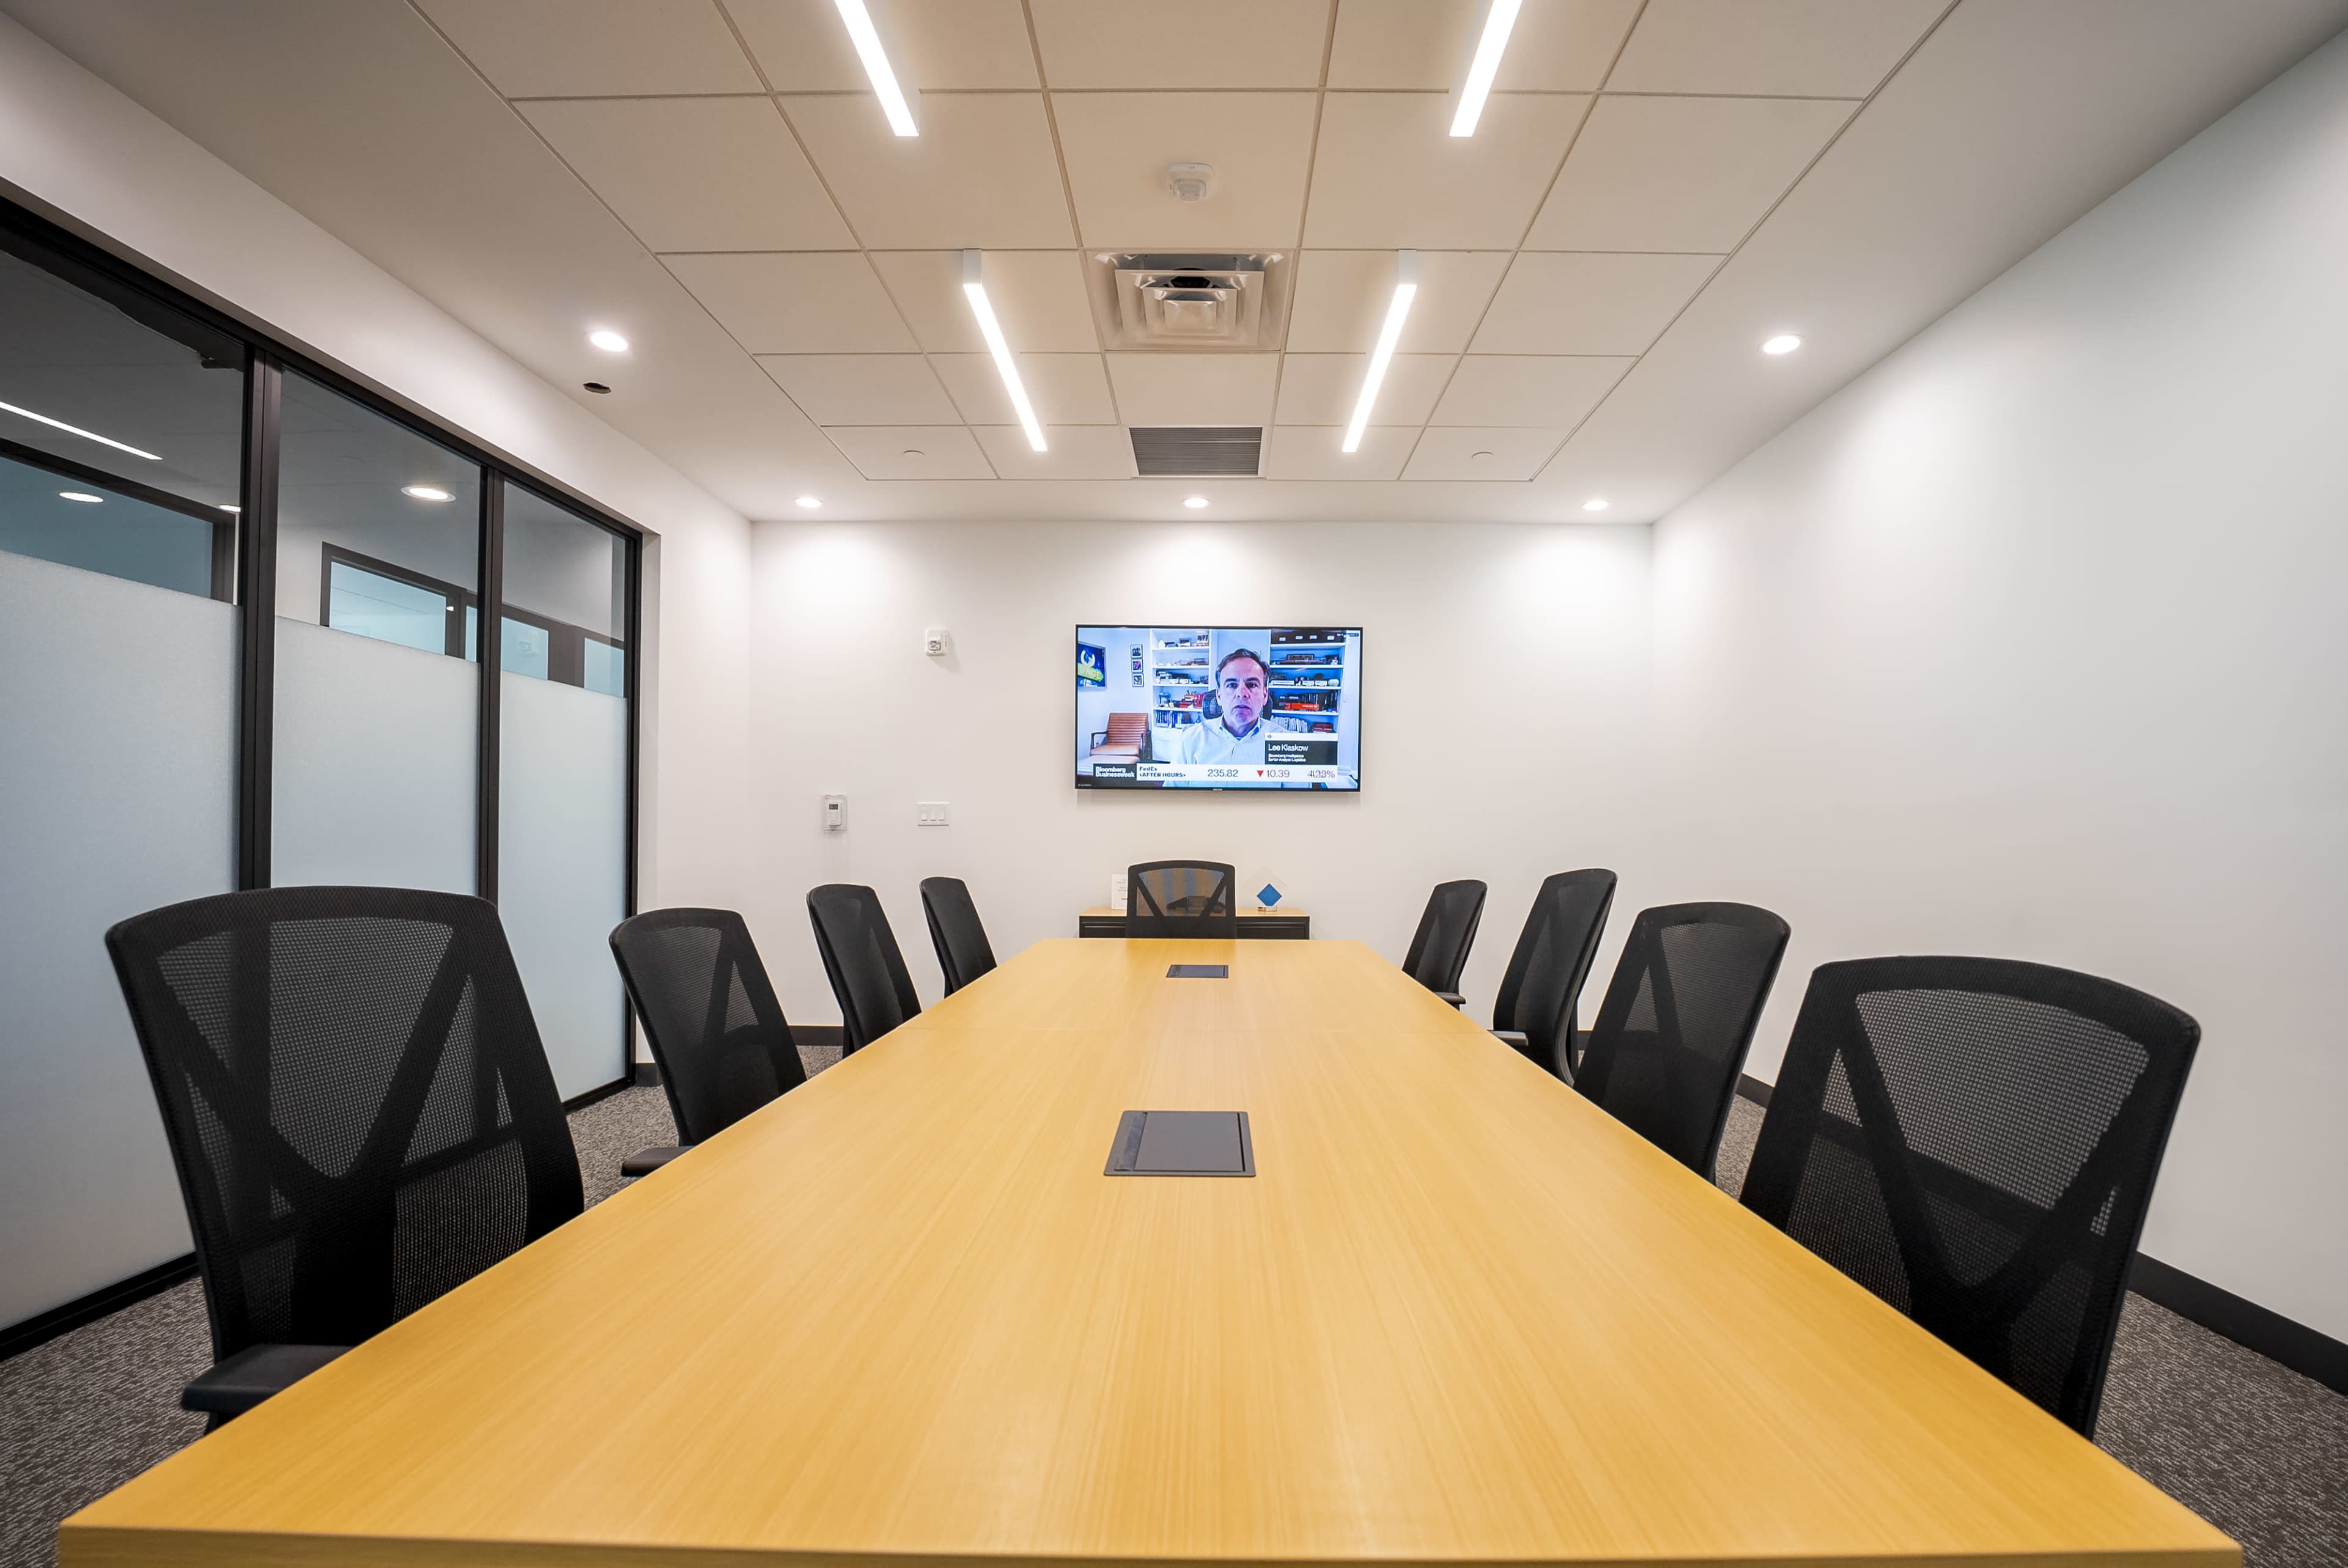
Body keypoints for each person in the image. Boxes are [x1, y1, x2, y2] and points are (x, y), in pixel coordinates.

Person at [1175, 647, 1306, 765]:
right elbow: (1172, 791)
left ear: (1265, 695)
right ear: (1219, 696)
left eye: (1252, 685)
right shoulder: (1192, 739)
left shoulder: (1286, 744)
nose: (1242, 694)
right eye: (1232, 685)